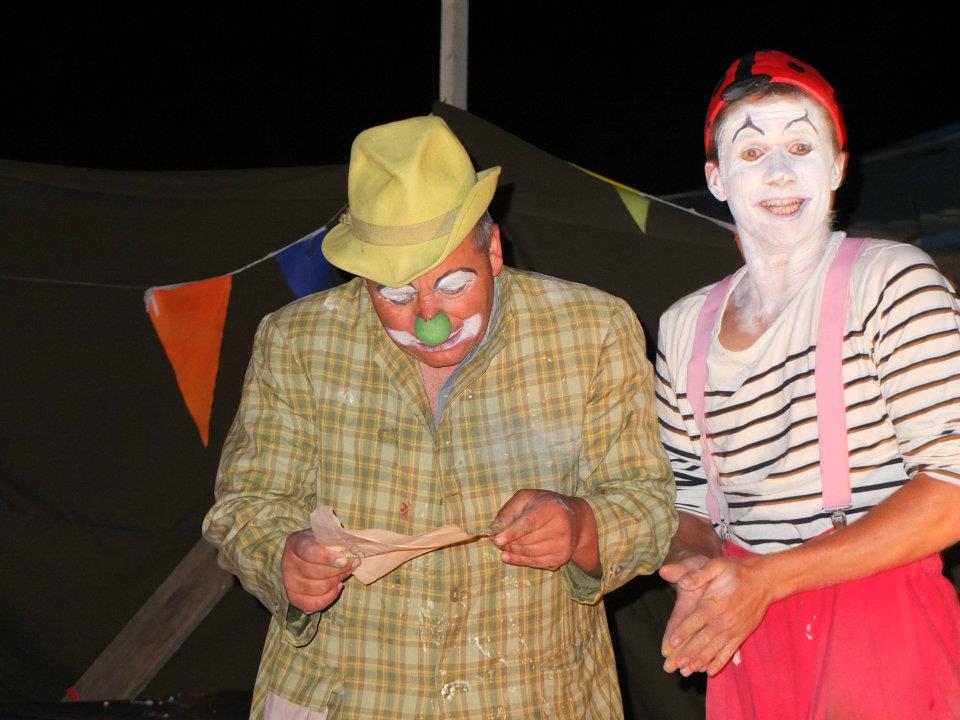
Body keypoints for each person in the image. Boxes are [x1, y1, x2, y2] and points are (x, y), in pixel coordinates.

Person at [203, 115, 677, 719]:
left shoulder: (593, 330)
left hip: (531, 699)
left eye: (454, 284)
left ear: (494, 249)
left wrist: (583, 526)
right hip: (346, 698)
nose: (430, 320)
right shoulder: (297, 341)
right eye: (396, 294)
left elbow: (649, 504)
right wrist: (282, 560)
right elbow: (245, 505)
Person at [655, 50, 960, 719]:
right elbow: (690, 500)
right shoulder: (683, 328)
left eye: (800, 146)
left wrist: (768, 579)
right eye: (751, 151)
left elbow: (953, 492)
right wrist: (696, 568)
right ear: (716, 177)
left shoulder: (892, 280)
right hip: (747, 630)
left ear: (838, 167)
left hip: (879, 619)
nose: (779, 172)